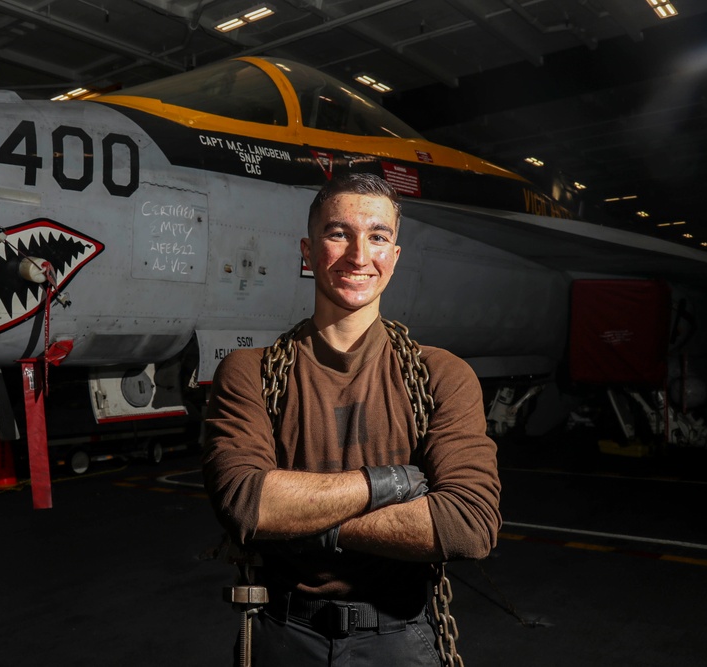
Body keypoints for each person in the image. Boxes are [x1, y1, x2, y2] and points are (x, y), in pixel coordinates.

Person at [201, 172, 501, 666]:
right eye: (338, 233)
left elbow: (468, 525)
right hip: (282, 634)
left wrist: (304, 522)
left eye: (378, 237)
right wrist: (396, 483)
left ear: (395, 257)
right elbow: (245, 503)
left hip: (399, 636)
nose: (359, 256)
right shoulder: (248, 373)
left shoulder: (441, 375)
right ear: (307, 250)